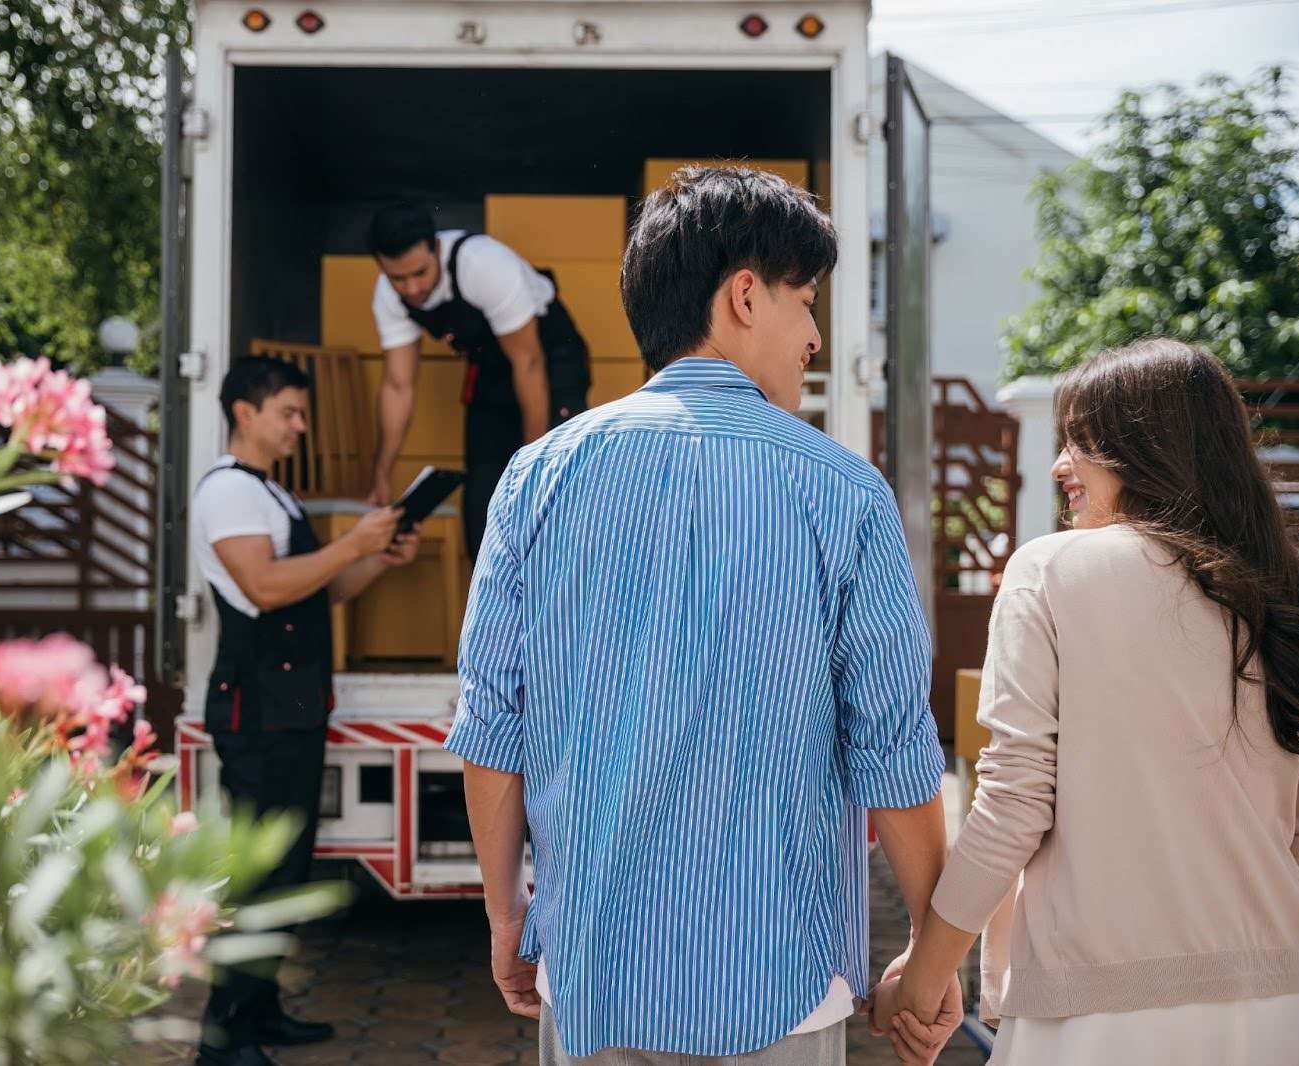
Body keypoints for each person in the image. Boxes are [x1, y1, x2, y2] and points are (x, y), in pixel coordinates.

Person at [444, 166, 963, 1065]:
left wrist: (508, 918)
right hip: (781, 990)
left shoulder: (536, 479)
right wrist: (929, 949)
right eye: (807, 302)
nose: (813, 337)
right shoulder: (841, 492)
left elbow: (493, 730)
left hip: (595, 974)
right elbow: (893, 747)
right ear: (746, 296)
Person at [872, 338, 1299, 1065]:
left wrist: (923, 980)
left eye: (1081, 442)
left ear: (1145, 447)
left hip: (1097, 1014)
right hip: (1271, 1014)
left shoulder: (1053, 571)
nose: (1060, 467)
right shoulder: (1290, 596)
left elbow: (1014, 803)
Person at [191, 355, 422, 1066]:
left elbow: (320, 590)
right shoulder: (227, 493)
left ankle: (260, 1012)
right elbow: (263, 587)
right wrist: (351, 540)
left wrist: (374, 558)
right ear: (244, 413)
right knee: (261, 872)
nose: (300, 426)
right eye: (289, 412)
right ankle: (222, 1036)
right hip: (255, 700)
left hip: (291, 696)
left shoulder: (270, 495)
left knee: (289, 863)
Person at [362, 202, 592, 560]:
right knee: (482, 496)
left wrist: (533, 464)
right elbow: (397, 385)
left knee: (552, 495)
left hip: (549, 360)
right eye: (398, 278)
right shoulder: (390, 295)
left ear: (435, 248)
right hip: (490, 369)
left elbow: (528, 363)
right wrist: (382, 473)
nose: (411, 288)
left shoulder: (483, 265)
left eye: (420, 273)